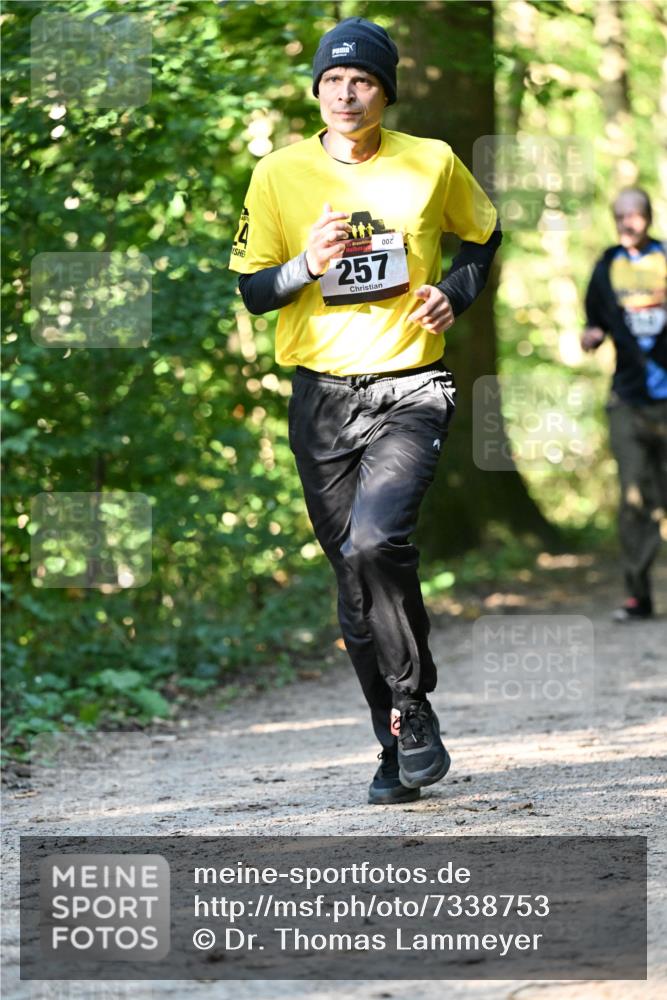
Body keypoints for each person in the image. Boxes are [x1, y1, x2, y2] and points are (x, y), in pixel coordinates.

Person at [228, 17, 501, 803]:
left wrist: (453, 293)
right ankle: (394, 743)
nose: (346, 94)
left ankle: (412, 704)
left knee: (378, 541)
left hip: (410, 384)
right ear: (316, 89)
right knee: (352, 577)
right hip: (321, 397)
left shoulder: (431, 163)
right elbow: (251, 291)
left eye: (362, 81)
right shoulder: (278, 174)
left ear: (385, 92)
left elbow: (483, 237)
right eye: (332, 81)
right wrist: (306, 265)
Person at [581, 187, 667, 621]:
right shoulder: (606, 265)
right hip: (627, 399)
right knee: (634, 498)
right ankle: (639, 596)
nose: (626, 223)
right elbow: (593, 318)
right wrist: (591, 335)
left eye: (633, 215)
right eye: (619, 216)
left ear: (648, 218)